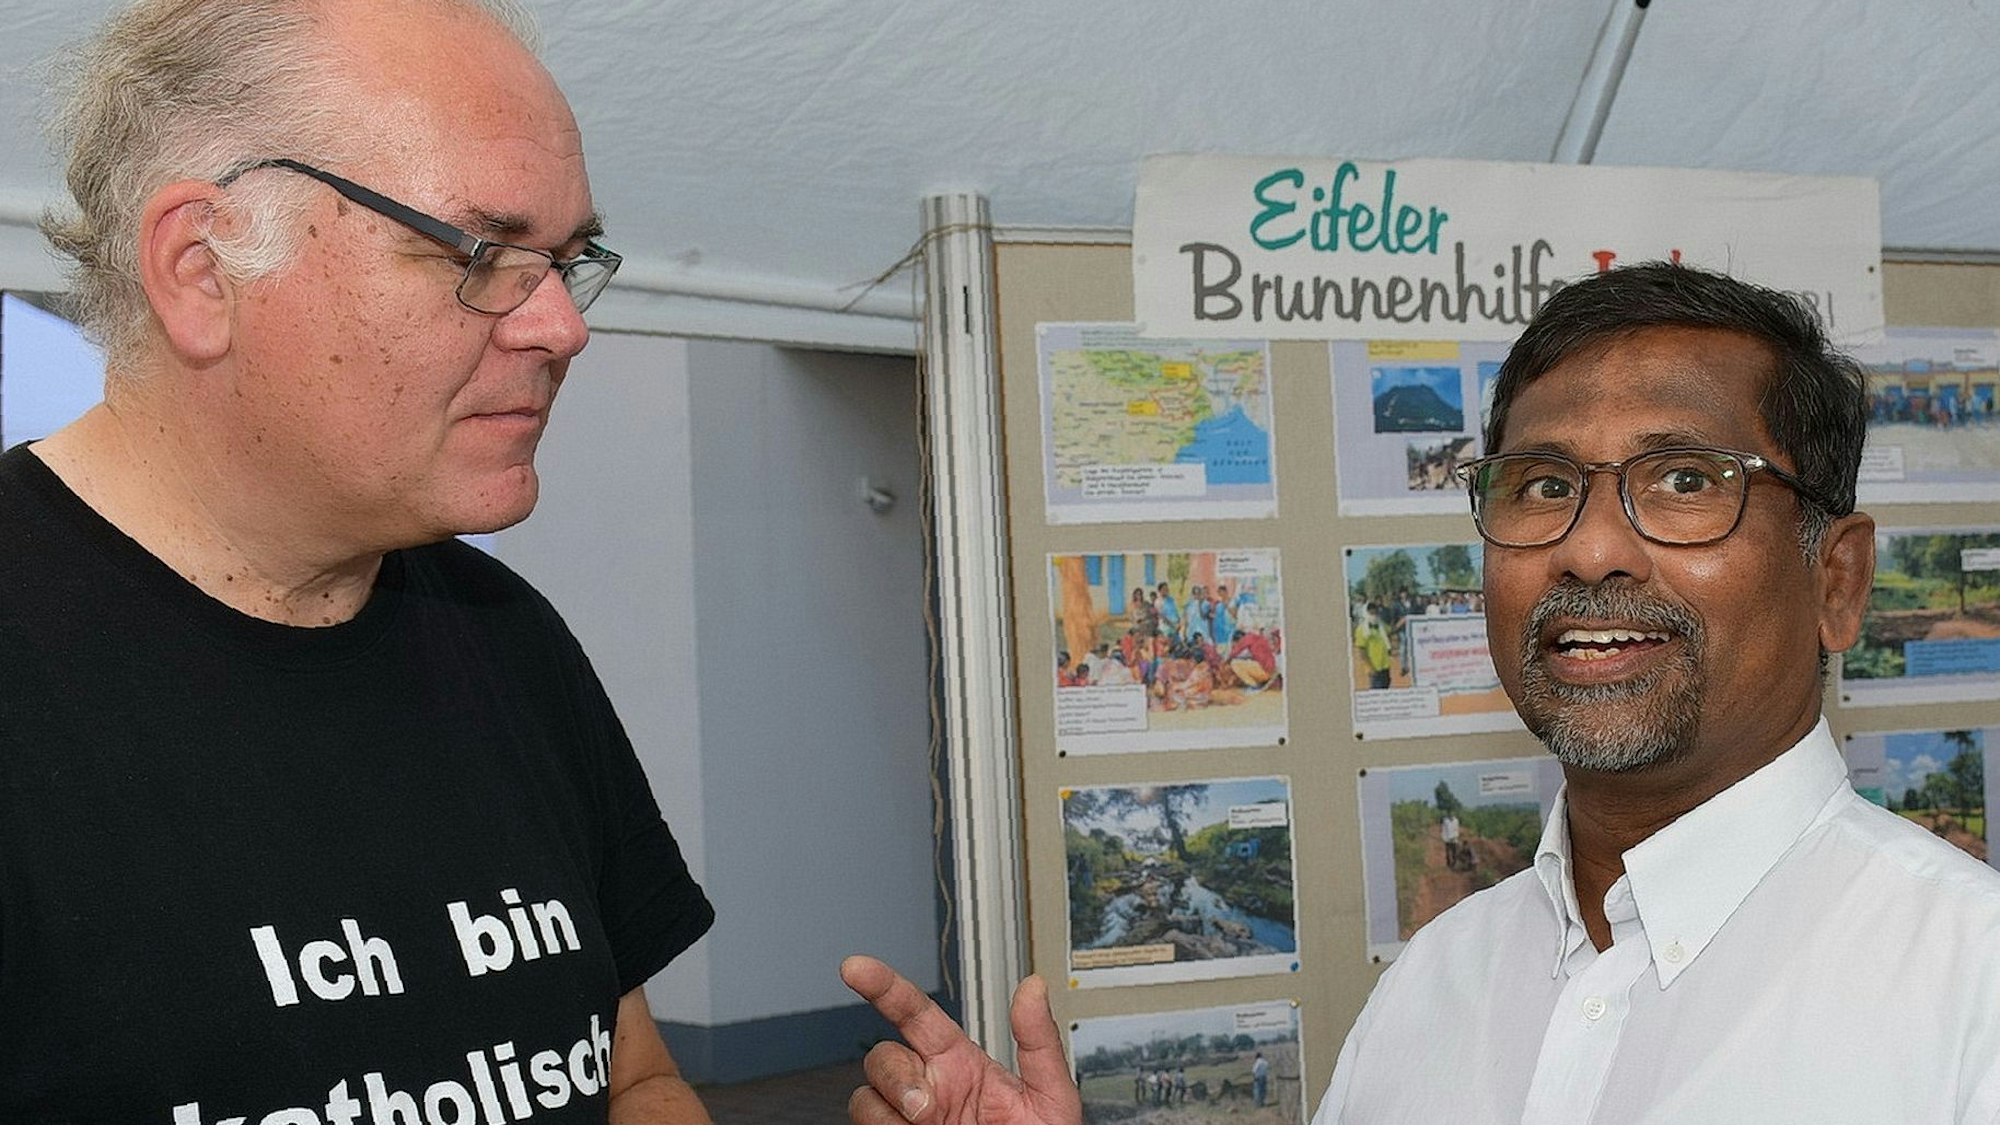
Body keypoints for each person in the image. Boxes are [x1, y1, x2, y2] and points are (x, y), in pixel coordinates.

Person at [838, 263, 2000, 1125]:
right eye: (1540, 484)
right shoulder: (1439, 979)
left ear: (1834, 579)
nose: (1589, 549)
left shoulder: (1966, 993)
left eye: (1684, 480)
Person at [0, 1, 717, 1120]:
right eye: (479, 253)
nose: (561, 330)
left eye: (566, 262)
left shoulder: (504, 635)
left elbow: (632, 1076)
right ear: (200, 268)